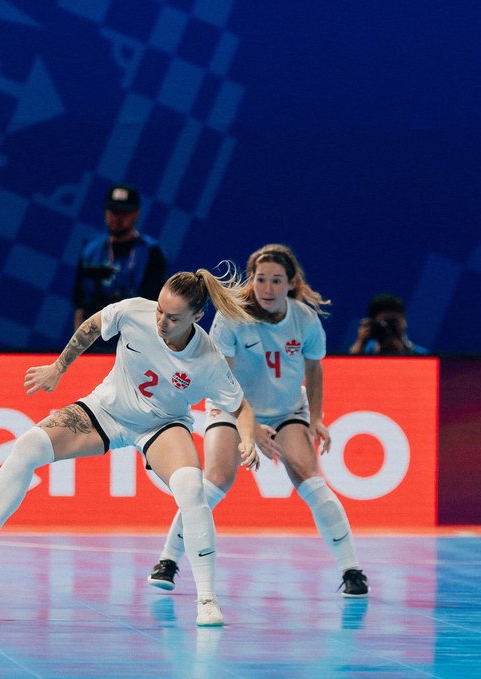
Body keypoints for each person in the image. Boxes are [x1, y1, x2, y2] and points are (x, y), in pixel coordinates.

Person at [0, 266, 272, 627]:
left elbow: (240, 407)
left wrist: (248, 438)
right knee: (27, 446)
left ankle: (207, 600)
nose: (161, 321)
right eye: (160, 309)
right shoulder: (134, 312)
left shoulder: (207, 360)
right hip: (106, 411)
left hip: (162, 426)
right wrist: (58, 368)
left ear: (197, 317)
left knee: (192, 489)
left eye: (173, 318)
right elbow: (93, 326)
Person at [151, 244, 369, 598]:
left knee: (313, 482)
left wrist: (316, 419)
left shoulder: (304, 319)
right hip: (232, 406)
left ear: (290, 282)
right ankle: (167, 561)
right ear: (251, 280)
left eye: (276, 280)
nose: (267, 288)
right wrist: (249, 427)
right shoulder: (232, 318)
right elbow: (224, 380)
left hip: (285, 411)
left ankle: (352, 570)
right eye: (261, 279)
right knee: (215, 480)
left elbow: (314, 369)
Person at [72, 183, 168, 330]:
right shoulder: (89, 251)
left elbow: (157, 306)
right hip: (95, 337)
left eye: (124, 212)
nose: (117, 217)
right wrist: (79, 344)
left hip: (134, 336)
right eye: (113, 211)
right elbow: (80, 303)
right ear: (105, 211)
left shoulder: (151, 252)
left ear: (136, 214)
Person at [348, 292, 424, 355]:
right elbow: (349, 367)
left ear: (404, 321)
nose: (389, 328)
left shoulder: (421, 355)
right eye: (384, 323)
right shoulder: (366, 351)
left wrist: (401, 352)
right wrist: (360, 341)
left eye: (393, 322)